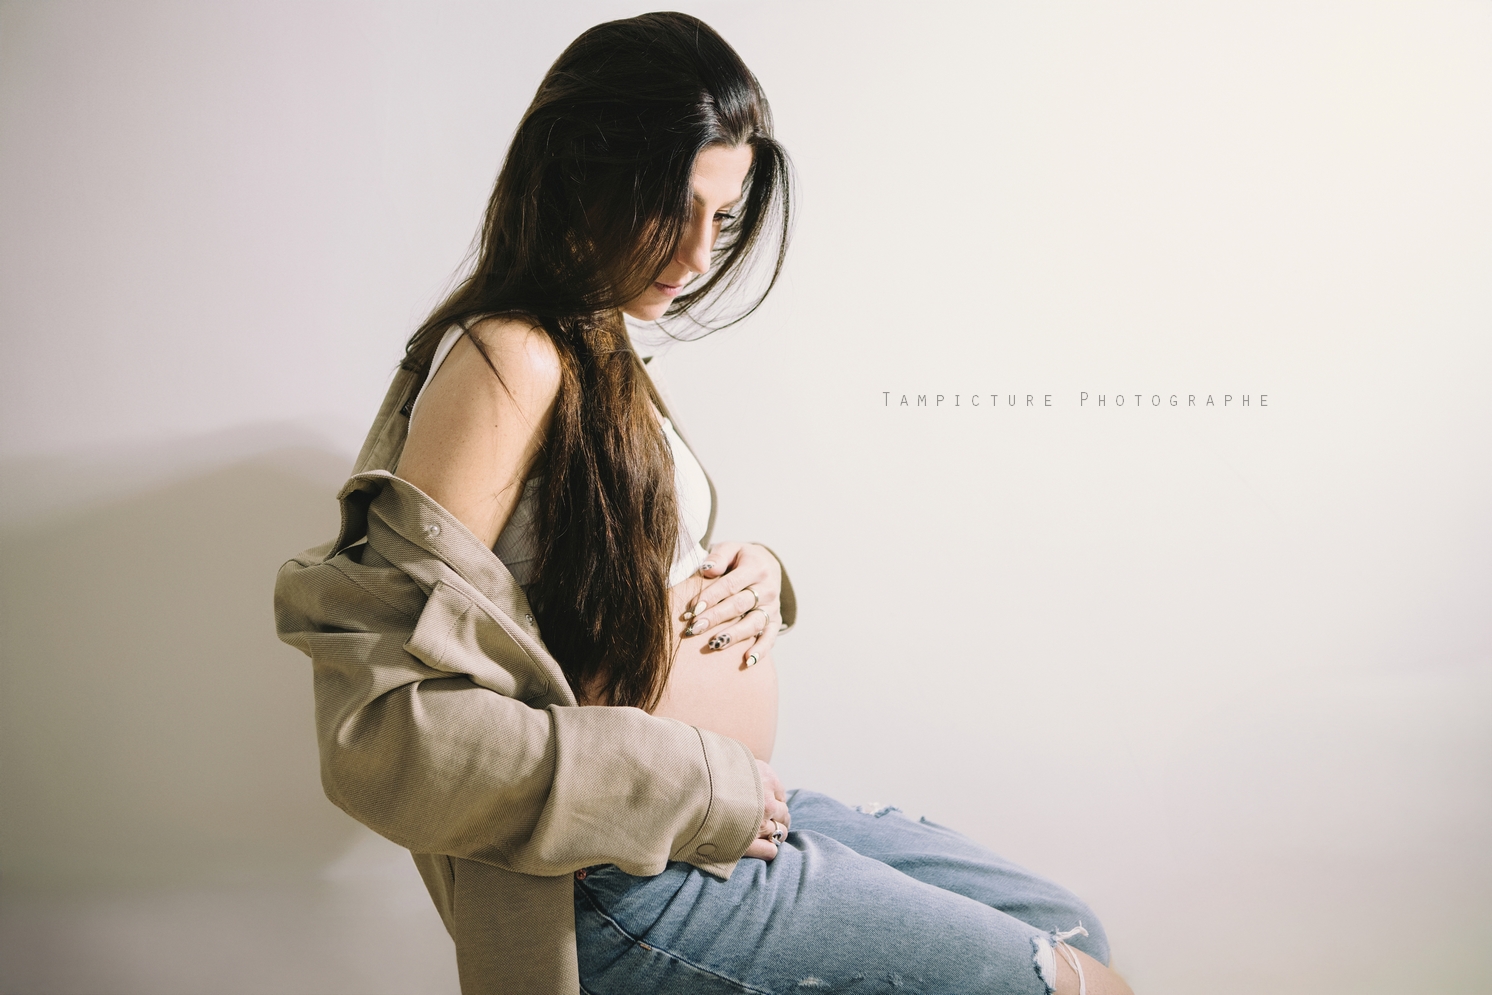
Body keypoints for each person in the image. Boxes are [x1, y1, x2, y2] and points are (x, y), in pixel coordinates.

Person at [275, 12, 1132, 995]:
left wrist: (754, 575)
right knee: (1071, 983)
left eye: (720, 219)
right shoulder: (507, 359)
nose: (694, 256)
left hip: (705, 820)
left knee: (1068, 925)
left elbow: (595, 575)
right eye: (669, 208)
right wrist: (697, 781)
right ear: (578, 174)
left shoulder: (598, 340)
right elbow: (384, 730)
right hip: (619, 869)